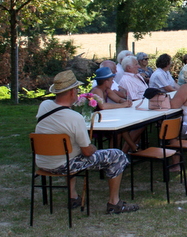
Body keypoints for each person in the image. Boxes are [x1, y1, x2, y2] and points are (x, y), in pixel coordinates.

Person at [34, 70, 139, 214]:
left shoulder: (44, 106)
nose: (77, 92)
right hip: (64, 164)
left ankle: (73, 196)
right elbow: (87, 151)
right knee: (117, 155)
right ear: (72, 92)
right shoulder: (74, 118)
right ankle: (114, 203)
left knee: (70, 150)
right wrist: (94, 147)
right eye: (76, 89)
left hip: (43, 161)